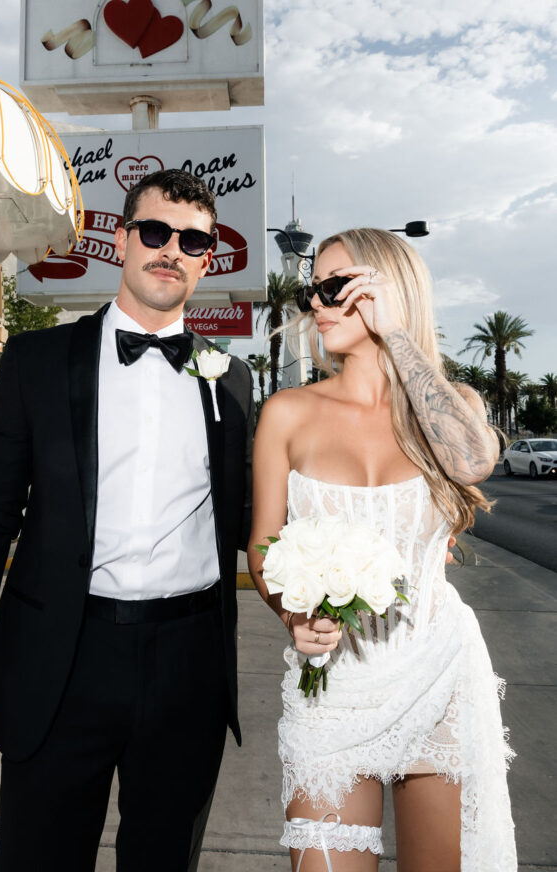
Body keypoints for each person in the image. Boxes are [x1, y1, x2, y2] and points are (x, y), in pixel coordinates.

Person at [0, 169, 254, 872]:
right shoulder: (38, 361)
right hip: (58, 660)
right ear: (122, 239)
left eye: (193, 241)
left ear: (207, 260)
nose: (171, 249)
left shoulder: (229, 379)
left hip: (188, 669)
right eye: (155, 232)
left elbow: (255, 519)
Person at [248, 228, 516, 872]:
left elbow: (476, 461)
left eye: (335, 286)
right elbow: (263, 546)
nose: (316, 301)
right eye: (314, 287)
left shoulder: (450, 411)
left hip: (437, 676)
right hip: (331, 691)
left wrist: (397, 336)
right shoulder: (288, 412)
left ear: (386, 294)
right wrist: (292, 615)